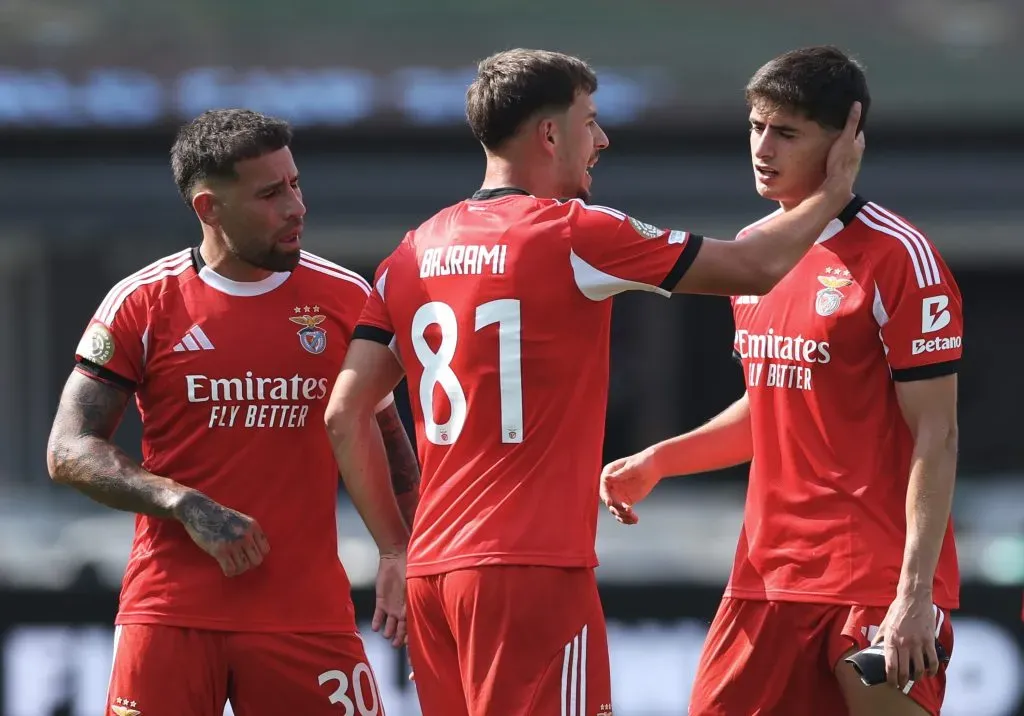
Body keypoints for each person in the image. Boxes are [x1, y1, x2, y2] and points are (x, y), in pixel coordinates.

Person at [323, 48, 863, 716]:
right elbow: (753, 267)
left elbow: (346, 412)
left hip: (434, 577)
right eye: (590, 121)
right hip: (532, 573)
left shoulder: (412, 250)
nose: (601, 139)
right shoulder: (575, 233)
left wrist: (393, 548)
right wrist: (833, 192)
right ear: (550, 134)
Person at [600, 46, 961, 716]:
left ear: (847, 137)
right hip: (766, 574)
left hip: (873, 577)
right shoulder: (755, 254)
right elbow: (771, 408)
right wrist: (661, 461)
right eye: (756, 127)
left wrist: (914, 593)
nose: (762, 148)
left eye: (787, 132)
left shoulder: (900, 257)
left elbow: (936, 435)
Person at [45, 108, 419, 716]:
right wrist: (183, 503)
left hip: (306, 615)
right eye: (270, 194)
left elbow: (390, 443)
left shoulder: (347, 298)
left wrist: (407, 557)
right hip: (170, 613)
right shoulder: (143, 302)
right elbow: (68, 449)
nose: (296, 207)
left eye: (295, 184)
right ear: (208, 208)